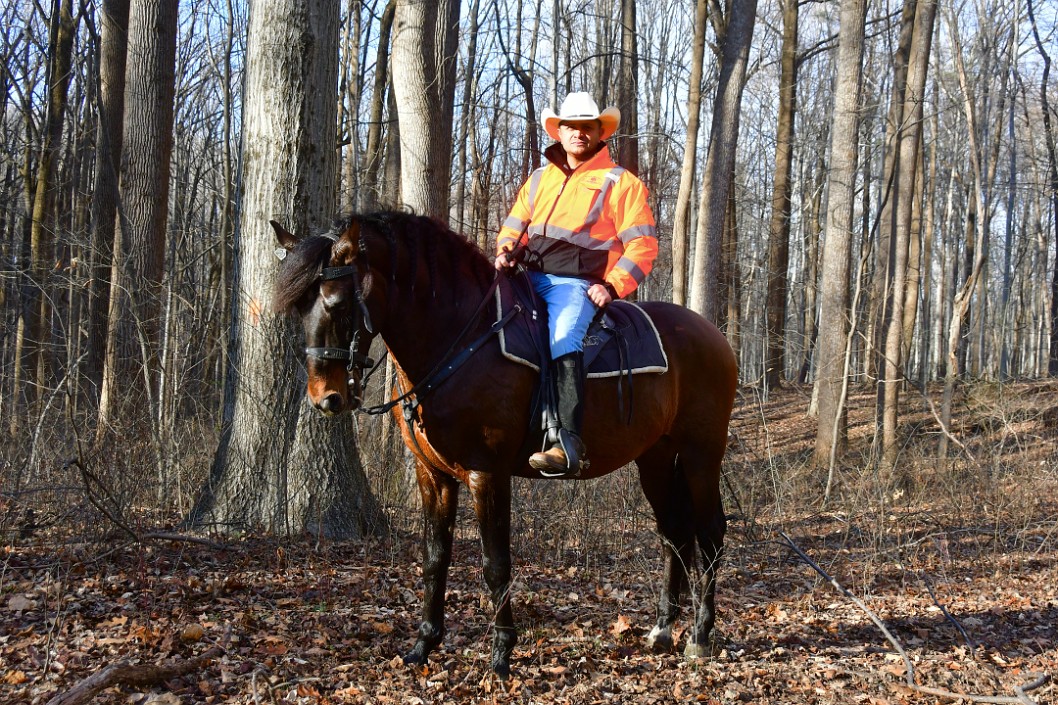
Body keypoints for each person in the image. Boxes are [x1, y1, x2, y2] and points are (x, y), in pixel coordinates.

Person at [494, 91, 658, 477]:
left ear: (600, 132)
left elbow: (643, 244)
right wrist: (504, 250)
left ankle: (566, 442)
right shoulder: (539, 178)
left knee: (564, 337)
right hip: (526, 277)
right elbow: (514, 226)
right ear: (559, 131)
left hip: (575, 284)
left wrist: (614, 285)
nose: (579, 134)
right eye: (572, 127)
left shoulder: (621, 183)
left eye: (587, 127)